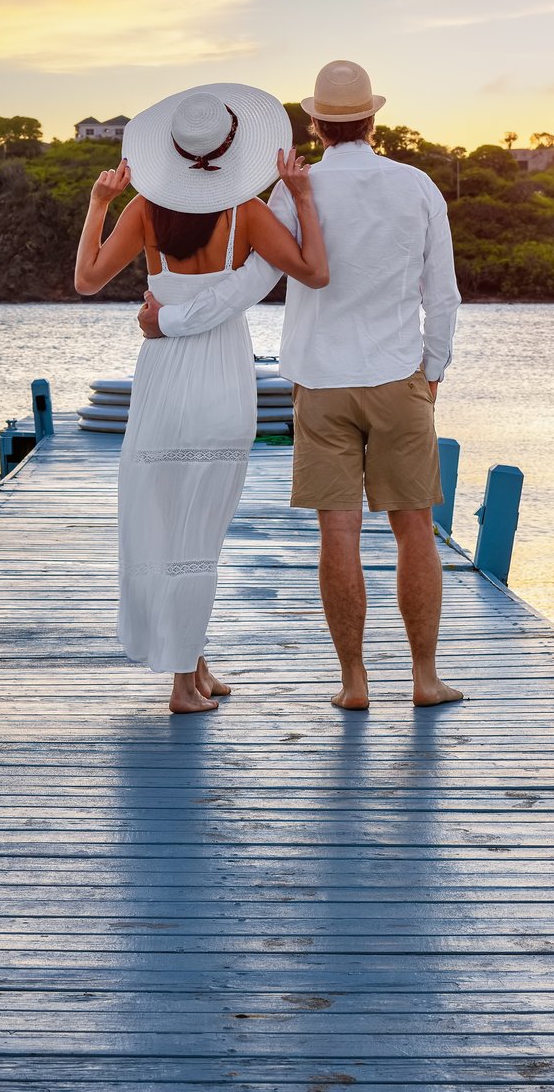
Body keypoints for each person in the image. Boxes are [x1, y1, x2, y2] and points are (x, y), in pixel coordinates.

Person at [140, 60, 463, 710]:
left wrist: (171, 320)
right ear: (375, 119)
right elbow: (444, 295)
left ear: (315, 125)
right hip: (400, 377)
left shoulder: (293, 193)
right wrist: (432, 371)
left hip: (320, 384)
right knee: (416, 528)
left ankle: (354, 683)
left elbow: (250, 283)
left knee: (337, 533)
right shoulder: (419, 186)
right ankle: (425, 680)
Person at [74, 83, 329, 714]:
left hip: (162, 377)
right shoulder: (247, 211)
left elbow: (85, 281)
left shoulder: (143, 210)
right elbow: (315, 272)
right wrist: (301, 195)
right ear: (231, 148)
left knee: (164, 526)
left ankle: (194, 663)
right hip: (221, 377)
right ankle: (182, 686)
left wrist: (98, 203)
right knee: (201, 536)